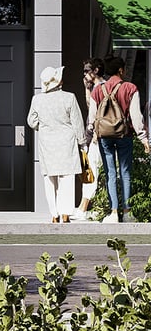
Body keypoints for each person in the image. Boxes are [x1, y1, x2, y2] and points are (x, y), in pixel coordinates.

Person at [87, 55, 151, 224]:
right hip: (125, 135)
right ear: (121, 70)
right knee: (125, 172)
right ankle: (128, 212)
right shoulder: (130, 88)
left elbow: (91, 118)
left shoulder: (97, 91)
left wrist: (91, 135)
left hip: (104, 137)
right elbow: (136, 117)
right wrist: (143, 138)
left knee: (110, 173)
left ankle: (114, 212)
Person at [27, 66, 86, 223]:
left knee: (49, 179)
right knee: (66, 178)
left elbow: (31, 122)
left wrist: (44, 126)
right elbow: (78, 123)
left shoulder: (37, 99)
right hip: (67, 142)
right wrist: (82, 143)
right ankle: (65, 213)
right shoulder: (69, 97)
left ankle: (54, 213)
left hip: (47, 142)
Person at [71, 57, 106, 220]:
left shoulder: (102, 88)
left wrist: (95, 136)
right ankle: (90, 207)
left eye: (87, 70)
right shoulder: (97, 87)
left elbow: (97, 113)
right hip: (94, 136)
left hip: (96, 137)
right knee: (92, 171)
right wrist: (86, 88)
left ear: (96, 70)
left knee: (90, 171)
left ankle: (83, 208)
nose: (84, 73)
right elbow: (90, 108)